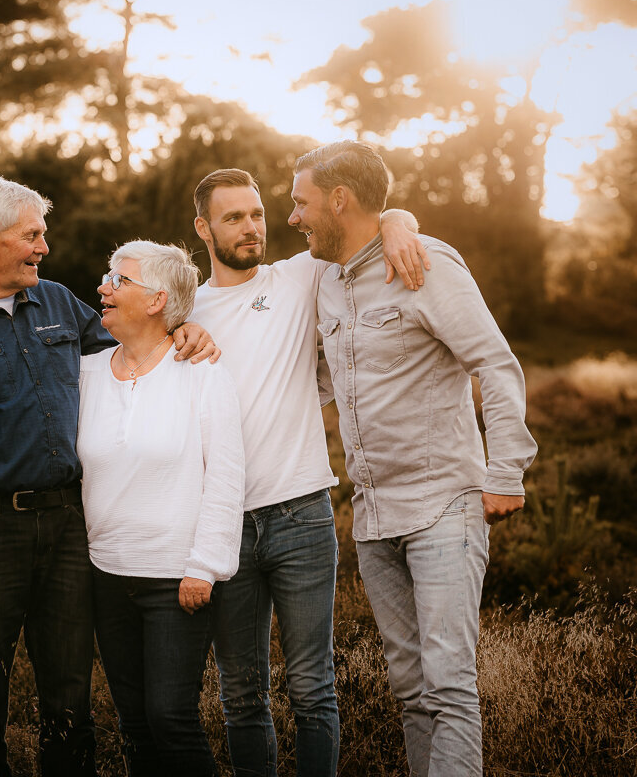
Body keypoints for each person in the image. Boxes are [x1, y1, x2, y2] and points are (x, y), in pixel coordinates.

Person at [0, 173, 215, 777]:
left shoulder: (61, 302)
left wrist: (183, 330)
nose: (44, 246)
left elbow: (136, 343)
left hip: (69, 528)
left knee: (69, 694)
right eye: (32, 235)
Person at [291, 141, 537, 776]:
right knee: (410, 692)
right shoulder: (322, 277)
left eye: (302, 202)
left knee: (450, 686)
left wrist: (506, 470)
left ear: (337, 200)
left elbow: (496, 364)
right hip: (373, 519)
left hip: (443, 508)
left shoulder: (426, 265)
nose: (294, 217)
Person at [190, 168, 426, 777]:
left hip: (301, 514)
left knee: (312, 687)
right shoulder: (187, 305)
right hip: (223, 525)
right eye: (232, 217)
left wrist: (401, 220)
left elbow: (366, 226)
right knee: (241, 695)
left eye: (256, 214)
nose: (251, 227)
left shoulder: (299, 275)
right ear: (203, 228)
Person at [78, 240, 245, 777]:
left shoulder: (201, 372)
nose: (103, 287)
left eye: (117, 279)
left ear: (157, 300)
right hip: (106, 574)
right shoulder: (85, 374)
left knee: (170, 718)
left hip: (175, 578)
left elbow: (225, 475)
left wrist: (204, 566)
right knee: (133, 724)